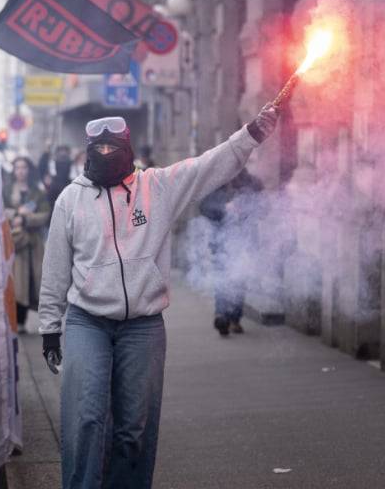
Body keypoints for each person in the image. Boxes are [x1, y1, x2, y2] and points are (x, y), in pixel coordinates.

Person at [39, 105, 279, 489]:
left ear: (127, 148)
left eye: (112, 147)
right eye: (97, 149)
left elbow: (209, 165)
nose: (105, 155)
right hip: (88, 322)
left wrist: (250, 134)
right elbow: (55, 267)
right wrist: (50, 327)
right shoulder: (70, 199)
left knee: (134, 428)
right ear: (87, 151)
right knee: (86, 419)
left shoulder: (158, 186)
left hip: (143, 326)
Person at [199, 168, 263, 336]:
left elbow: (263, 208)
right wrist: (224, 208)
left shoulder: (252, 182)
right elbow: (204, 206)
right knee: (223, 278)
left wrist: (244, 209)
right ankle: (222, 315)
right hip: (221, 241)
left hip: (244, 240)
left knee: (238, 279)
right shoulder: (216, 180)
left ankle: (234, 318)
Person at [3, 156, 50, 331]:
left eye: (24, 167)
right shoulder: (6, 190)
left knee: (32, 280)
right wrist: (15, 214)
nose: (21, 171)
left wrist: (25, 217)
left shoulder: (37, 191)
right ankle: (16, 320)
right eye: (17, 167)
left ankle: (23, 320)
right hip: (14, 242)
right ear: (13, 171)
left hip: (33, 243)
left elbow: (45, 214)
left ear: (29, 169)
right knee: (16, 281)